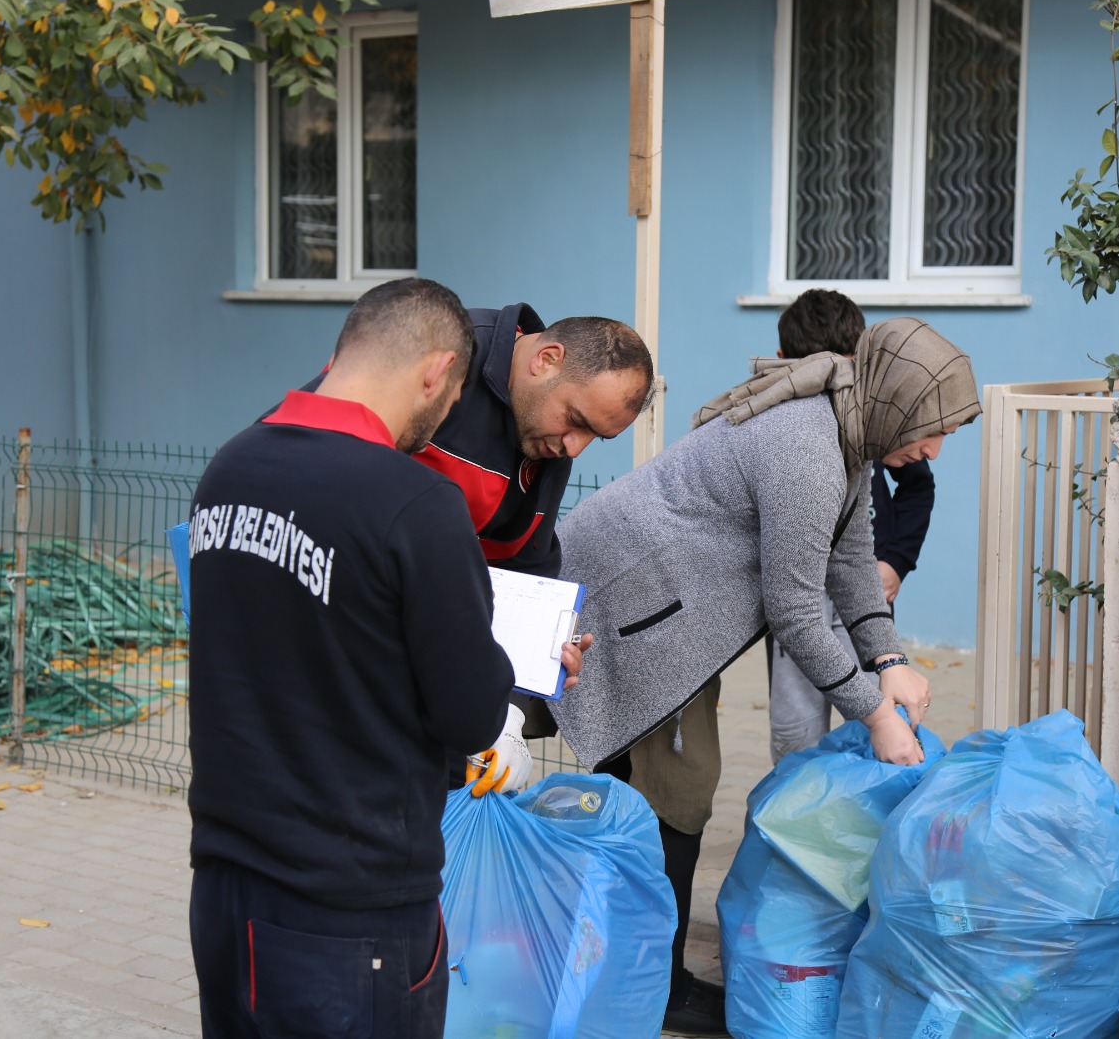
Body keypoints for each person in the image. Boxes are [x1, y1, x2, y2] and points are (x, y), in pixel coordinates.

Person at [553, 316, 980, 1037]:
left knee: (666, 791)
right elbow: (794, 607)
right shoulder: (807, 446)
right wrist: (873, 711)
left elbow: (849, 563)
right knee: (676, 793)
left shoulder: (844, 438)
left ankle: (622, 962)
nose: (933, 448)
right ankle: (655, 985)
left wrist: (890, 657)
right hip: (626, 604)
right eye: (931, 428)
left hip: (669, 613)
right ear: (896, 404)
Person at [187, 278, 519, 1039]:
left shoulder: (230, 466)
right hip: (352, 907)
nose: (448, 413)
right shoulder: (416, 504)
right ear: (436, 373)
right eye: (457, 393)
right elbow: (471, 713)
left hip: (228, 885)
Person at [309, 304, 654, 789]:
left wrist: (514, 702)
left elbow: (521, 575)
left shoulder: (545, 440)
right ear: (546, 359)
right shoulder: (437, 354)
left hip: (417, 680)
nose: (574, 448)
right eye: (575, 420)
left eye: (596, 436)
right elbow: (304, 461)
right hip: (330, 653)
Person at [767, 289, 938, 763]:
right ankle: (794, 817)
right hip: (797, 597)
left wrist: (895, 563)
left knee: (880, 717)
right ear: (783, 364)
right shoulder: (780, 433)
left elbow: (918, 488)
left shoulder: (879, 426)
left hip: (862, 595)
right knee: (796, 730)